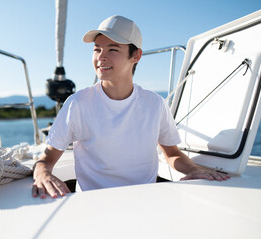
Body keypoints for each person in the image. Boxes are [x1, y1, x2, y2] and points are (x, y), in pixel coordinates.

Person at [32, 15, 230, 199]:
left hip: (144, 201)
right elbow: (46, 160)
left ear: (136, 55)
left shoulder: (155, 104)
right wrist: (42, 173)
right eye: (97, 49)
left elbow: (173, 154)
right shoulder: (78, 104)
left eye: (112, 49)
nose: (101, 57)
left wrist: (194, 169)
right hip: (93, 204)